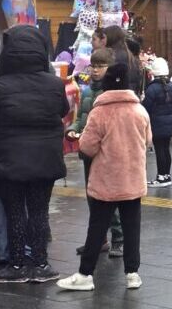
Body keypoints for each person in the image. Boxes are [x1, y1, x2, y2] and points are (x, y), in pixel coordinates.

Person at [57, 64, 151, 292]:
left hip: (106, 180)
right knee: (132, 227)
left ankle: (85, 273)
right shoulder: (140, 111)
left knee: (97, 227)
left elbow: (88, 147)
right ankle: (132, 273)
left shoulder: (100, 113)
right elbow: (147, 140)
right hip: (132, 179)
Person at [0, 26, 69, 284]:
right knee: (39, 211)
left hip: (10, 159)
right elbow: (63, 110)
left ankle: (18, 264)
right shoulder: (54, 83)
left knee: (15, 212)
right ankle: (41, 263)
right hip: (46, 158)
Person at [66, 48, 123, 257]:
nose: (96, 70)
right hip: (88, 150)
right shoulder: (88, 91)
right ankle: (98, 239)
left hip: (106, 153)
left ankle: (118, 238)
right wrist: (73, 129)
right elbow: (81, 118)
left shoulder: (112, 94)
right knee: (92, 196)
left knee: (109, 196)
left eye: (100, 66)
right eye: (93, 66)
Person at [142, 57, 172, 188]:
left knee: (159, 150)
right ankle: (166, 175)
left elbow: (146, 108)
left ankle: (161, 177)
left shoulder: (151, 89)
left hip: (156, 124)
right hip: (169, 123)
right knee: (166, 149)